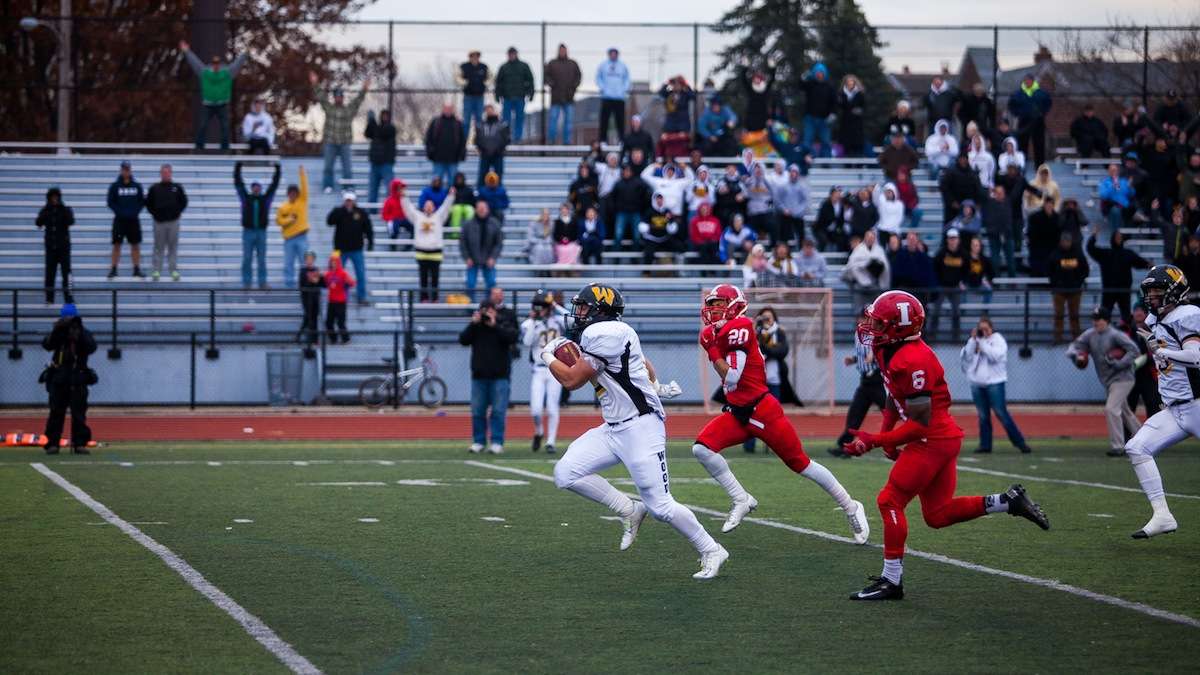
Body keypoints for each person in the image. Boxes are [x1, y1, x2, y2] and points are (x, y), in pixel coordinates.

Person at [841, 290, 1050, 601]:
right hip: (940, 437)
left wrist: (875, 440)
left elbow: (919, 424)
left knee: (889, 501)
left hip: (931, 439)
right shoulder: (891, 349)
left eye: (879, 322)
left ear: (898, 328)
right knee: (937, 514)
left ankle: (891, 580)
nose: (872, 327)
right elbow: (892, 393)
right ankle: (1008, 501)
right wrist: (885, 429)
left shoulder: (914, 359)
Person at [540, 283, 726, 579]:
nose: (579, 313)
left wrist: (547, 356)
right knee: (566, 473)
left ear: (601, 310)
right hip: (614, 428)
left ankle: (711, 548)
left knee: (662, 508)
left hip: (641, 428)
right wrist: (656, 386)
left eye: (585, 307)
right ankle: (628, 509)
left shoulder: (605, 334)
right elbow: (645, 365)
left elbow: (572, 381)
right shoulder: (614, 333)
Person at [692, 284, 869, 533]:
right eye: (711, 305)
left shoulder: (740, 327)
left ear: (734, 306)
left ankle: (851, 506)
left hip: (762, 411)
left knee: (801, 464)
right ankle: (741, 498)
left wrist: (712, 350)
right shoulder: (722, 330)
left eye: (718, 304)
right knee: (702, 449)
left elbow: (731, 377)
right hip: (738, 412)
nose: (712, 310)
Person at [1122, 265, 1200, 538]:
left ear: (1175, 292)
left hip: (1198, 404)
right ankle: (1162, 515)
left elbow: (1195, 356)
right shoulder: (1155, 321)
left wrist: (1162, 348)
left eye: (1157, 291)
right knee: (1137, 447)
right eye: (1149, 291)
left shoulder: (1188, 315)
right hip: (1176, 409)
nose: (1151, 297)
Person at [1068, 306, 1140, 456]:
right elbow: (1073, 347)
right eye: (1094, 319)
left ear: (1106, 320)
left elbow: (1134, 350)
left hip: (1123, 378)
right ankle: (1145, 439)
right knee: (1126, 412)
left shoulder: (1115, 335)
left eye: (1099, 319)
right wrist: (1077, 356)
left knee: (1111, 409)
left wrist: (1120, 363)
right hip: (1108, 380)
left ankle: (1118, 446)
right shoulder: (1090, 334)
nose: (1096, 322)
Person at [961, 317, 1032, 455]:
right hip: (977, 383)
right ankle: (985, 445)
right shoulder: (974, 340)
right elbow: (967, 356)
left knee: (1001, 413)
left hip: (995, 383)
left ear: (991, 329)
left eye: (986, 329)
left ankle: (1020, 442)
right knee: (983, 416)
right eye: (981, 329)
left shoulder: (998, 340)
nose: (984, 332)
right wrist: (972, 340)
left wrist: (982, 342)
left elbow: (995, 356)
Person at [460, 289, 519, 454]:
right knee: (478, 411)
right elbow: (463, 340)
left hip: (500, 375)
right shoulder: (476, 327)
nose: (487, 314)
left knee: (498, 411)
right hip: (479, 375)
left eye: (490, 311)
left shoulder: (503, 322)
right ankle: (478, 441)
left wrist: (495, 325)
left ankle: (497, 441)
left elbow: (513, 337)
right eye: (484, 311)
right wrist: (473, 323)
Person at [829, 305, 887, 459]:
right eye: (860, 317)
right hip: (865, 381)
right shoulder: (859, 333)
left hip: (876, 379)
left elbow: (886, 352)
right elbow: (860, 354)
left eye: (864, 317)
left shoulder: (879, 334)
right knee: (855, 413)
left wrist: (874, 356)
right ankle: (844, 446)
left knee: (891, 412)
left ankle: (910, 437)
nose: (860, 320)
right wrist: (853, 359)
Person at [41, 303, 97, 455]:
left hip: (78, 377)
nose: (68, 319)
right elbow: (47, 345)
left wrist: (79, 331)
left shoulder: (83, 332)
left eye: (71, 316)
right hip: (59, 378)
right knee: (56, 413)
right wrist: (58, 330)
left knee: (79, 413)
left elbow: (92, 347)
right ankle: (53, 443)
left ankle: (80, 444)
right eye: (66, 317)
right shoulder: (58, 331)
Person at [521, 290, 566, 454]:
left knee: (552, 407)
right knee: (536, 409)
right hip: (538, 370)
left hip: (555, 368)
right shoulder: (529, 323)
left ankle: (551, 441)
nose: (542, 310)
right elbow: (526, 342)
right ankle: (539, 431)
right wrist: (534, 321)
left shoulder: (559, 321)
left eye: (544, 307)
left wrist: (555, 305)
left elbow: (573, 319)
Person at [179, 40, 246, 151]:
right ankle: (199, 146)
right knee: (202, 126)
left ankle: (225, 148)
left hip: (222, 104)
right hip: (208, 104)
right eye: (214, 64)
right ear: (212, 65)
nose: (216, 66)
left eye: (217, 64)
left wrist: (244, 54)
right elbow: (195, 62)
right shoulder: (205, 73)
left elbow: (237, 65)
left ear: (220, 65)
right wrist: (187, 51)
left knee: (225, 127)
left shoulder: (226, 73)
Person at [309, 72, 369, 193]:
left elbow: (358, 101)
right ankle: (328, 186)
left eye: (340, 97)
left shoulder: (348, 110)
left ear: (342, 98)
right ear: (335, 98)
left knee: (347, 168)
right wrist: (315, 84)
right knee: (328, 167)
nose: (338, 98)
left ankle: (347, 187)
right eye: (336, 97)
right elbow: (321, 97)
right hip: (330, 142)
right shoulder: (329, 108)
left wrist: (364, 89)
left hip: (344, 143)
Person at [401, 183, 456, 302]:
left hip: (436, 252)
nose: (429, 207)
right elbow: (408, 208)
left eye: (431, 206)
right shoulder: (417, 217)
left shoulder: (439, 217)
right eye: (427, 205)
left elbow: (446, 207)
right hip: (421, 252)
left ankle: (435, 298)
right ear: (423, 207)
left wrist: (451, 196)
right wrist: (404, 197)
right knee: (423, 278)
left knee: (435, 278)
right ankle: (424, 297)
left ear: (434, 207)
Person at [1087, 226, 1150, 322]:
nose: (1118, 239)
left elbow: (1140, 262)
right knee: (1104, 315)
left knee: (1126, 316)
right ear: (1112, 239)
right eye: (1116, 237)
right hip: (1109, 290)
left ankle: (1128, 334)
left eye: (1120, 237)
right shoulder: (1105, 253)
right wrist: (1093, 236)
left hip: (1124, 290)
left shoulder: (1128, 253)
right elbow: (1090, 248)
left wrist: (1150, 265)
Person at [234, 161, 280, 289]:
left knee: (261, 260)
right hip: (248, 232)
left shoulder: (266, 199)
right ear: (251, 187)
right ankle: (247, 283)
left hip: (261, 232)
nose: (256, 188)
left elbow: (274, 186)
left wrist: (277, 170)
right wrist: (238, 168)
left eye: (258, 186)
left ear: (261, 188)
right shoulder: (245, 198)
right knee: (247, 258)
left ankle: (262, 282)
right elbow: (238, 184)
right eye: (254, 186)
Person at [326, 191, 373, 305]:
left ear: (354, 201)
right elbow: (329, 222)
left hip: (356, 249)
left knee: (360, 274)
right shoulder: (339, 211)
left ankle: (361, 297)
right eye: (347, 200)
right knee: (335, 274)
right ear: (344, 201)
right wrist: (336, 211)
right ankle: (335, 296)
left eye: (350, 200)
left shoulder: (361, 213)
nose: (349, 203)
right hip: (339, 250)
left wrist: (371, 242)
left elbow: (368, 228)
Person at [145, 164, 188, 283]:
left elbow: (184, 202)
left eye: (167, 172)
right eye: (163, 172)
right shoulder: (154, 188)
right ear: (160, 174)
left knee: (172, 247)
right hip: (159, 223)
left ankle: (173, 270)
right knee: (158, 247)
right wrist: (155, 214)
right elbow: (148, 203)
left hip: (173, 222)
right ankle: (156, 270)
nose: (165, 174)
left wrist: (176, 213)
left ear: (171, 173)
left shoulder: (177, 187)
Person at [106, 160, 145, 279]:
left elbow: (141, 201)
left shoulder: (137, 186)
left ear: (130, 170)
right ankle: (113, 269)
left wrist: (134, 212)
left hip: (133, 220)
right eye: (124, 169)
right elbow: (110, 202)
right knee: (117, 245)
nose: (126, 171)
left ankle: (136, 269)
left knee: (135, 245)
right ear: (121, 170)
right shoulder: (114, 186)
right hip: (119, 221)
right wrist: (120, 212)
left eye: (127, 169)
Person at [927, 228, 966, 342]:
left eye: (954, 238)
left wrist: (962, 281)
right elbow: (934, 268)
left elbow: (967, 269)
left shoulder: (963, 254)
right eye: (950, 238)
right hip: (942, 286)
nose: (952, 241)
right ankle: (932, 335)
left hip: (955, 287)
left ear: (958, 240)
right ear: (947, 240)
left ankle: (956, 336)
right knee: (936, 311)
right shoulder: (941, 253)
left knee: (956, 312)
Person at [1125, 303, 1162, 418]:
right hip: (1131, 374)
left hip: (1149, 374)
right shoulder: (1126, 329)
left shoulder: (1155, 329)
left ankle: (1154, 434)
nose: (1139, 313)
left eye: (1142, 310)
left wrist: (1147, 357)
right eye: (1136, 310)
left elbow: (1159, 349)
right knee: (1129, 407)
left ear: (1147, 313)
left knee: (1153, 406)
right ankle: (1127, 436)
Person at [1007, 73, 1052, 168]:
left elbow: (1048, 103)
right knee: (1022, 144)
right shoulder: (1018, 94)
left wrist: (1041, 113)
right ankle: (1022, 166)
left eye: (1029, 80)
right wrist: (1019, 113)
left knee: (1039, 145)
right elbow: (1011, 105)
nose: (1027, 82)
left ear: (1033, 81)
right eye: (1026, 80)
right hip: (1024, 121)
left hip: (1038, 122)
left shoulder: (1041, 93)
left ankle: (1040, 167)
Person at [276, 166, 311, 288]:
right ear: (288, 194)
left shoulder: (302, 201)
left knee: (305, 262)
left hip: (302, 237)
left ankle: (306, 284)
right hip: (289, 239)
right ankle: (289, 285)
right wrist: (289, 220)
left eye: (295, 193)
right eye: (291, 193)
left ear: (298, 194)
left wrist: (302, 174)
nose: (293, 195)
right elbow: (279, 221)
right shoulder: (283, 207)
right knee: (288, 264)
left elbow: (305, 188)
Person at [37, 188, 74, 304]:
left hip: (63, 248)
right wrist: (46, 210)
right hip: (50, 247)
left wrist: (63, 208)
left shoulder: (65, 209)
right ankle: (49, 298)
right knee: (49, 274)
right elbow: (38, 223)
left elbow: (71, 221)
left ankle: (69, 297)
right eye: (52, 197)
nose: (54, 199)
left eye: (56, 197)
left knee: (67, 274)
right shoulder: (45, 210)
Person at [461, 201, 503, 297]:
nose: (482, 210)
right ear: (476, 209)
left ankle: (489, 307)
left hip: (488, 259)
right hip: (472, 259)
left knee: (491, 284)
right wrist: (467, 257)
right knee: (470, 284)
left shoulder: (495, 224)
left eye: (483, 208)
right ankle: (470, 309)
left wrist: (493, 257)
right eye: (480, 208)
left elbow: (499, 243)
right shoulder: (468, 224)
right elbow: (463, 243)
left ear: (487, 209)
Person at [493, 47, 534, 142]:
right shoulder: (503, 67)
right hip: (507, 98)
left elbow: (530, 80)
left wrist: (530, 94)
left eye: (513, 54)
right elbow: (498, 82)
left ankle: (517, 139)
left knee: (519, 119)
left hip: (520, 97)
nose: (511, 55)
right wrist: (497, 95)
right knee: (506, 120)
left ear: (516, 54)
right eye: (510, 54)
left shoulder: (524, 66)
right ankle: (506, 138)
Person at [544, 44, 582, 144]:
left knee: (568, 122)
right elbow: (546, 77)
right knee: (553, 121)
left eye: (564, 50)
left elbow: (578, 77)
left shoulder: (572, 64)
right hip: (556, 98)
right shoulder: (552, 63)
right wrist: (552, 85)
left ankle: (567, 142)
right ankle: (551, 141)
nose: (562, 52)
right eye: (561, 50)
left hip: (569, 97)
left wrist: (573, 88)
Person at [843, 229, 890, 309]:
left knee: (875, 309)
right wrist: (866, 264)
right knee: (859, 310)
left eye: (872, 237)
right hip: (859, 285)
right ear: (865, 238)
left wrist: (876, 265)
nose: (870, 239)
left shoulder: (879, 250)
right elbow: (851, 265)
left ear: (875, 238)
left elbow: (885, 266)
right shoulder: (858, 249)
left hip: (874, 285)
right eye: (868, 237)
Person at [425, 104, 467, 186]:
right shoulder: (435, 122)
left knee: (453, 183)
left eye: (450, 109)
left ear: (453, 110)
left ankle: (451, 198)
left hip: (453, 159)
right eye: (446, 109)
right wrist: (430, 152)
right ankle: (436, 199)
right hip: (438, 158)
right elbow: (428, 138)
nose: (448, 111)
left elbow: (462, 141)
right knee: (436, 182)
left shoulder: (458, 123)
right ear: (443, 109)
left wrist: (461, 154)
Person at [800, 63, 836, 158]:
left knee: (826, 141)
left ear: (825, 74)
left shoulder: (829, 86)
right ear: (814, 73)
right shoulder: (810, 84)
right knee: (807, 140)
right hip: (810, 119)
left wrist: (832, 114)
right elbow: (801, 85)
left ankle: (826, 162)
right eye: (817, 73)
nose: (819, 74)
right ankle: (806, 160)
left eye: (821, 73)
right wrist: (803, 77)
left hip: (824, 120)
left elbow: (834, 102)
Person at [596, 48, 630, 143]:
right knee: (604, 120)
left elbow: (627, 79)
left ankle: (621, 139)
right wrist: (603, 88)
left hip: (619, 98)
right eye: (612, 54)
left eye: (615, 54)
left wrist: (623, 89)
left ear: (617, 55)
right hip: (606, 97)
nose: (613, 55)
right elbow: (598, 78)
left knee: (620, 120)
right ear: (609, 55)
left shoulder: (622, 66)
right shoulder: (603, 65)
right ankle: (603, 139)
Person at [364, 110, 397, 204]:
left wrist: (372, 121)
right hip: (375, 163)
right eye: (383, 115)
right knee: (372, 190)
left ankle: (390, 210)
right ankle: (371, 212)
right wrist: (370, 122)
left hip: (386, 164)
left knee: (390, 190)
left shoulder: (391, 128)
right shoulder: (376, 127)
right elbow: (367, 134)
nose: (385, 117)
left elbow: (383, 133)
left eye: (387, 116)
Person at [457, 50, 490, 136]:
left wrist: (486, 83)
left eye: (477, 56)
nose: (475, 58)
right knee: (466, 120)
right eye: (473, 56)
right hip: (468, 97)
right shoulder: (464, 66)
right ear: (470, 57)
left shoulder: (484, 67)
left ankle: (479, 140)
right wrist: (464, 83)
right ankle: (464, 141)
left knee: (479, 119)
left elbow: (491, 77)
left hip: (480, 97)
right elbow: (457, 77)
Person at [324, 252, 354, 343]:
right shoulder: (327, 274)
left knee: (340, 322)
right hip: (331, 301)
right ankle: (333, 339)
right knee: (329, 322)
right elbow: (324, 283)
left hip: (341, 301)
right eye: (332, 262)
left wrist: (347, 283)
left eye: (335, 262)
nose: (333, 264)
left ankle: (346, 339)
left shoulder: (343, 273)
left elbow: (352, 283)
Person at [836, 75, 868, 157]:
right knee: (846, 148)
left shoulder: (860, 94)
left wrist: (857, 110)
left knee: (857, 148)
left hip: (857, 125)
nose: (850, 83)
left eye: (851, 81)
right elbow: (840, 107)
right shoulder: (841, 95)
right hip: (845, 124)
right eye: (848, 82)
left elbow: (863, 107)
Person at [298, 251, 323, 346]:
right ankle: (308, 338)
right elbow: (301, 285)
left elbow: (320, 284)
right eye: (307, 259)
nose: (309, 261)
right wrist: (311, 280)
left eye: (311, 259)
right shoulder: (302, 270)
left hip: (315, 298)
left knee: (314, 318)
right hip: (306, 298)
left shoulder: (316, 269)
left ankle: (313, 339)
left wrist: (318, 279)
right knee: (309, 318)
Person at [963, 237, 994, 304]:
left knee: (989, 289)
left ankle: (984, 311)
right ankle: (962, 312)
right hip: (967, 284)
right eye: (973, 245)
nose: (975, 247)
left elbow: (992, 273)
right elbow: (959, 272)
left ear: (980, 246)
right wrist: (961, 282)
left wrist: (987, 280)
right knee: (959, 289)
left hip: (980, 284)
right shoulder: (965, 258)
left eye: (977, 245)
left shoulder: (985, 259)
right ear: (970, 246)